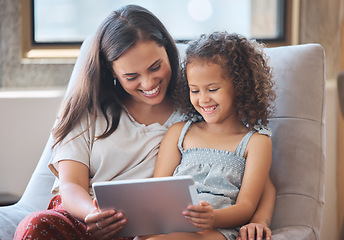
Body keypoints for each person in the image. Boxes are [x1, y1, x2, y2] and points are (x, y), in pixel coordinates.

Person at [14, 5, 274, 240]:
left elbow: (259, 179)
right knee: (34, 226)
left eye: (154, 67)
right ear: (111, 72)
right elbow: (71, 184)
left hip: (141, 227)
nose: (149, 84)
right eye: (131, 76)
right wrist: (91, 214)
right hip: (84, 217)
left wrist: (259, 220)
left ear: (169, 51)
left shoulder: (194, 111)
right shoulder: (88, 110)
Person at [143, 32, 276, 240]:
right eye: (194, 90)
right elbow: (158, 191)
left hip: (218, 228)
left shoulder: (256, 142)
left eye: (212, 89)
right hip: (174, 223)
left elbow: (246, 206)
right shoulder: (179, 133)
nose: (203, 99)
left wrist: (212, 218)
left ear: (240, 87)